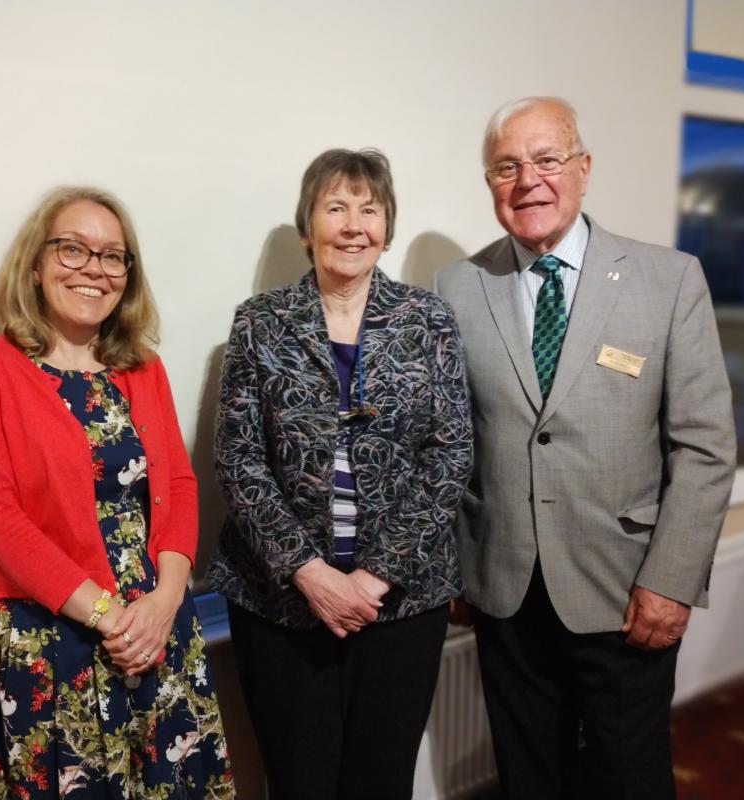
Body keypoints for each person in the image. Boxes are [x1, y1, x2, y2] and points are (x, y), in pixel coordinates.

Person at [434, 97, 737, 799]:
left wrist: (670, 579)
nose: (527, 181)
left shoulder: (669, 280)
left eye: (546, 159)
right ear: (489, 185)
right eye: (505, 167)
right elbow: (446, 441)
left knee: (627, 775)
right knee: (527, 773)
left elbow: (704, 446)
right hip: (504, 591)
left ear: (583, 168)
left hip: (626, 589)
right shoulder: (456, 287)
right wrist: (453, 565)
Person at [208, 148, 472, 800]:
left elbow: (450, 453)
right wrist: (311, 573)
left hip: (402, 602)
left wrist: (375, 575)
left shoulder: (427, 320)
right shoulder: (258, 323)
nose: (353, 224)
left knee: (379, 782)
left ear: (386, 226)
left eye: (369, 208)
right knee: (298, 782)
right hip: (279, 604)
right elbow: (238, 459)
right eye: (335, 208)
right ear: (307, 227)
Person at [0, 186, 233, 799]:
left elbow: (179, 487)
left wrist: (163, 604)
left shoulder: (142, 365)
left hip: (157, 634)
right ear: (36, 261)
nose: (93, 269)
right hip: (53, 642)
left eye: (112, 256)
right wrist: (110, 618)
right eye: (73, 249)